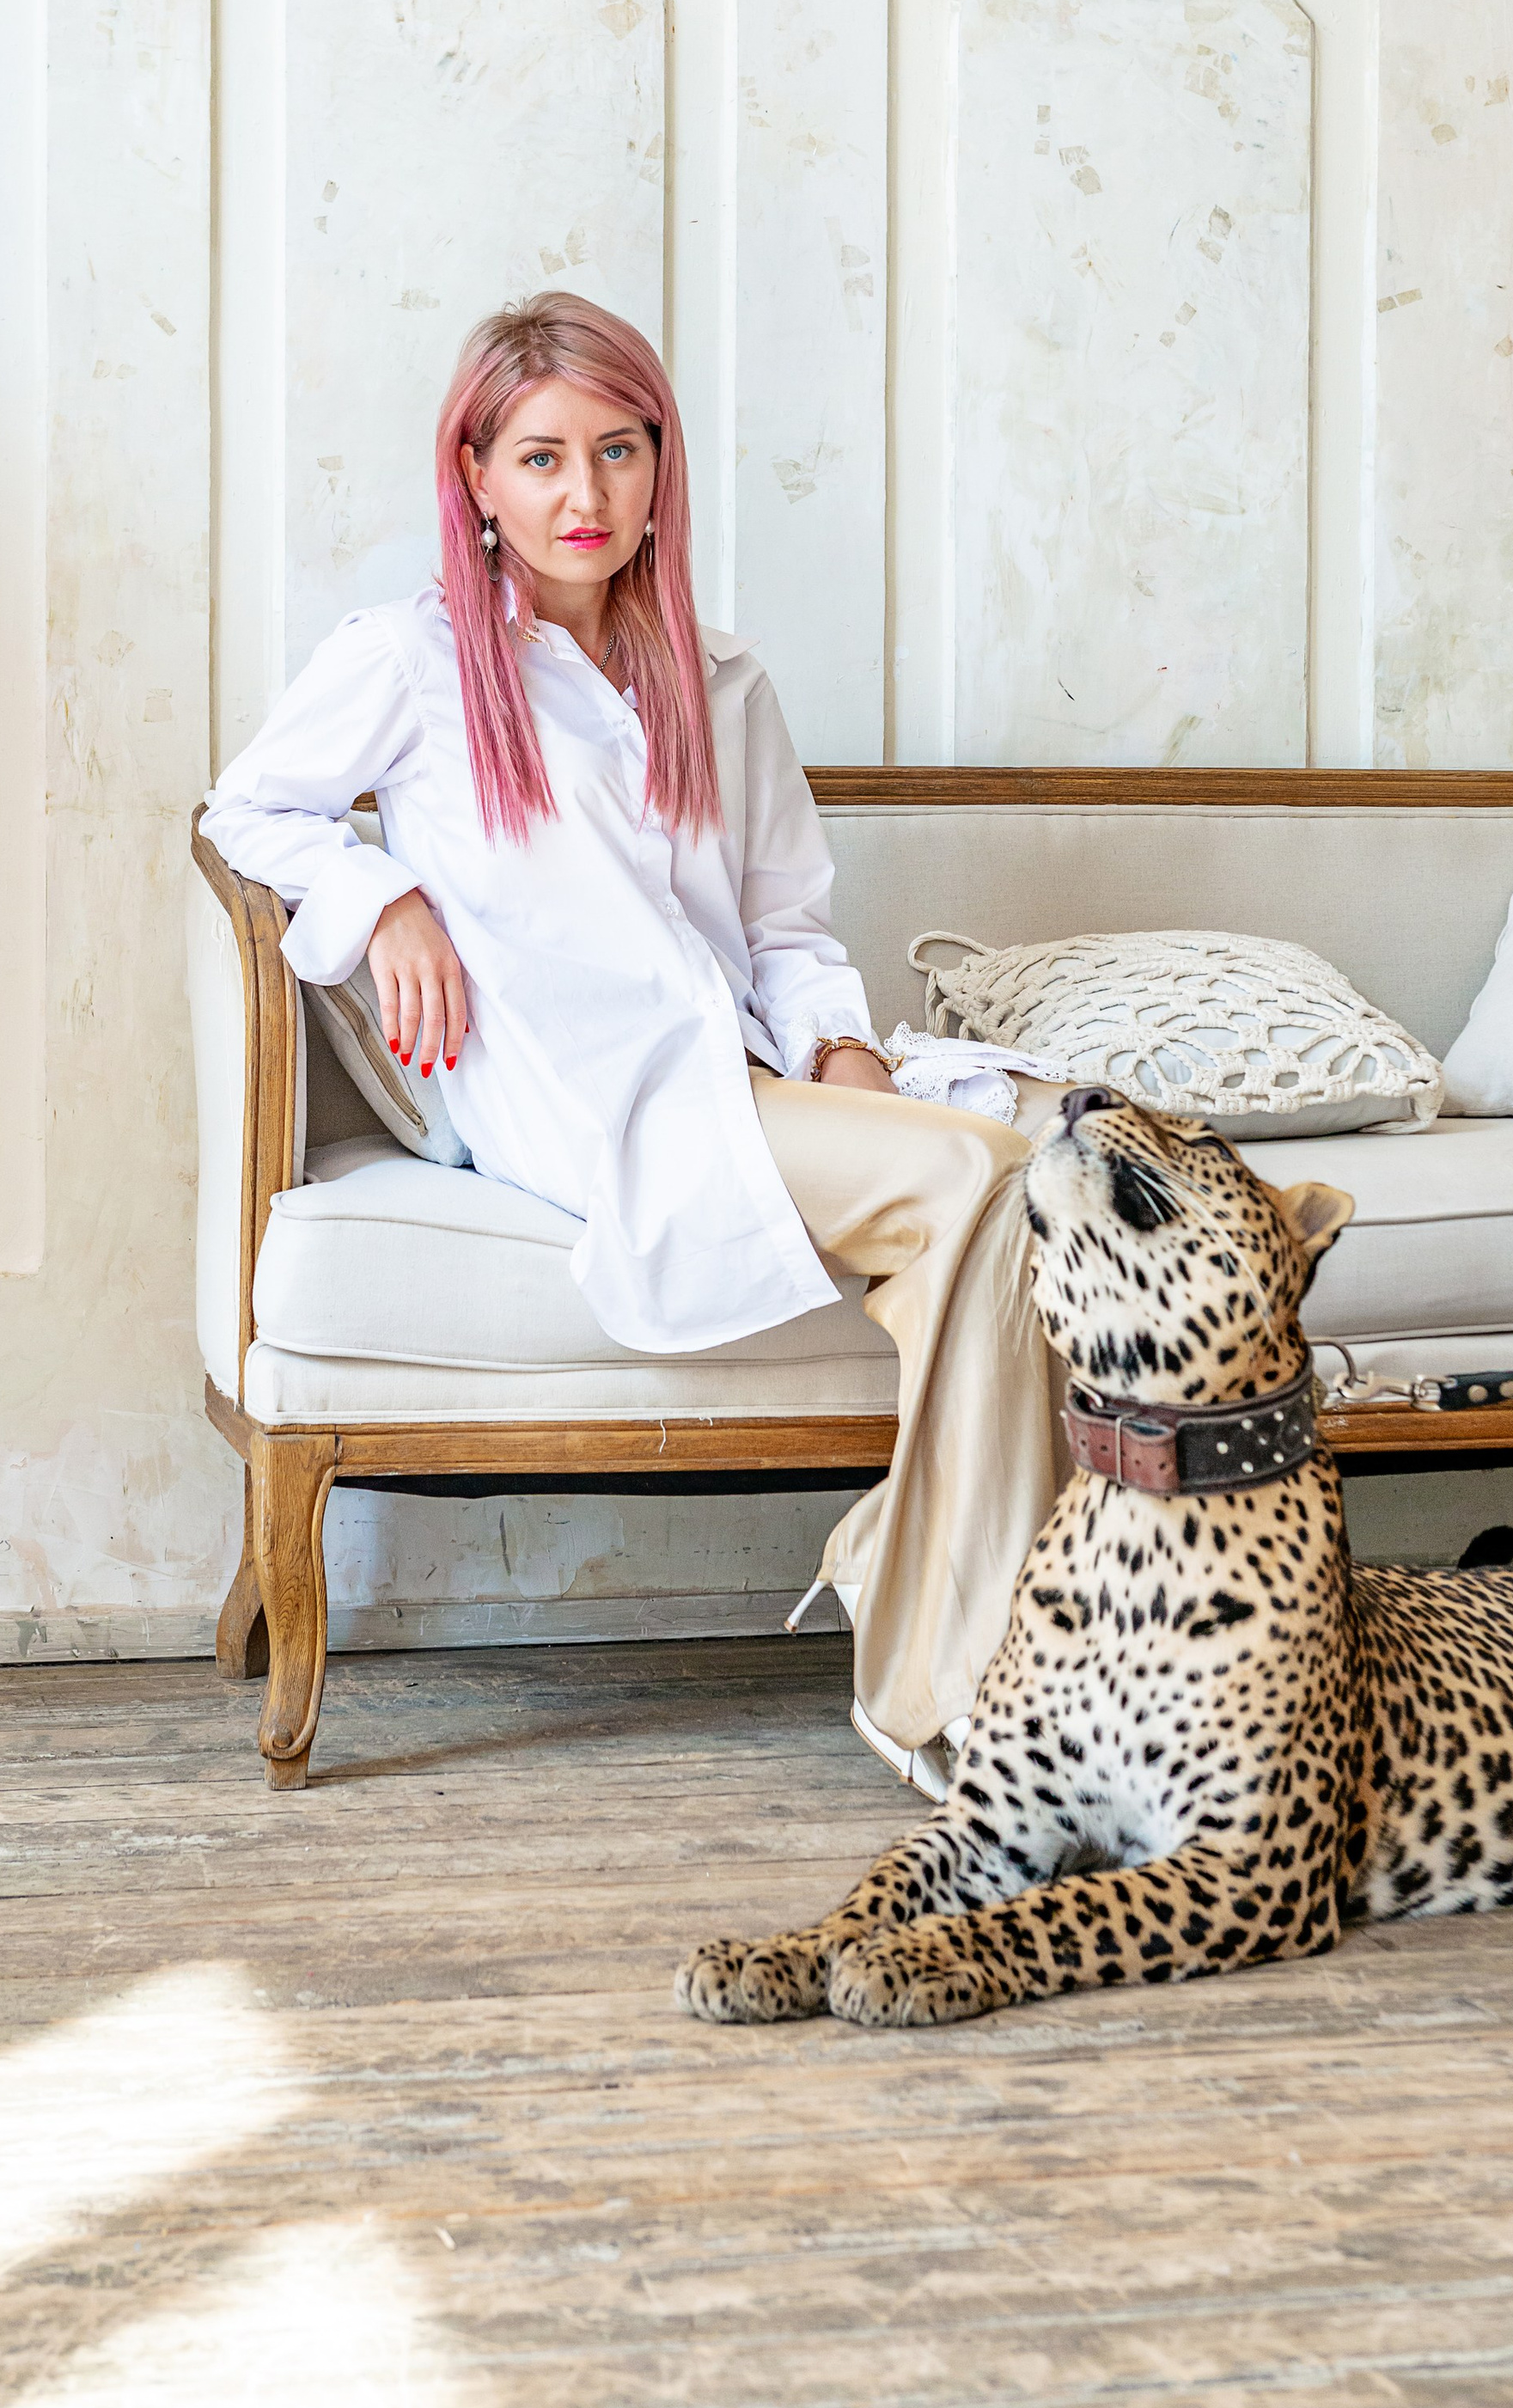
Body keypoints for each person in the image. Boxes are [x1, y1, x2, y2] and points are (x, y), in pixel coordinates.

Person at [201, 292, 1063, 1791]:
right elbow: (247, 811)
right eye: (539, 457)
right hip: (586, 1100)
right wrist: (382, 892)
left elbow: (789, 928)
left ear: (662, 466)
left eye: (617, 450)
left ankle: (951, 1632)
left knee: (1011, 1199)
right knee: (986, 1183)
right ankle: (951, 1670)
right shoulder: (408, 662)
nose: (582, 495)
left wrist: (846, 1057)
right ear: (473, 475)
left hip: (745, 1072)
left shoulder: (721, 683)